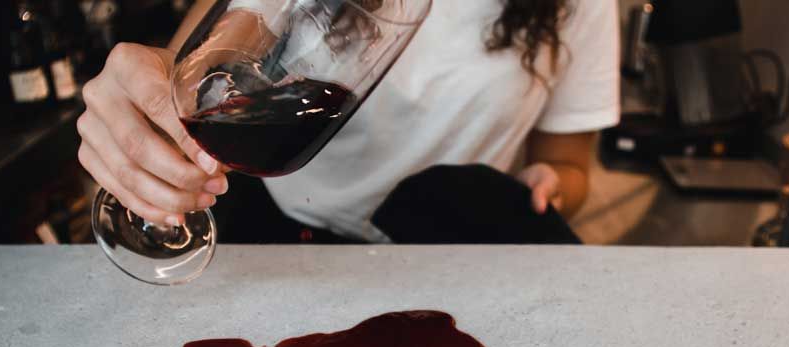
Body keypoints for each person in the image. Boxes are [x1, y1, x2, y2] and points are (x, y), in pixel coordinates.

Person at [77, 0, 619, 243]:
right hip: (279, 243)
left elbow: (569, 165)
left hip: (446, 258)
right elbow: (211, 57)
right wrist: (146, 103)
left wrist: (548, 186)